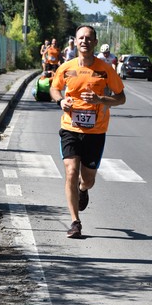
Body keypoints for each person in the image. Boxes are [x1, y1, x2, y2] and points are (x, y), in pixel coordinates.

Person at [50, 25, 126, 238]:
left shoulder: (105, 69)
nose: (84, 41)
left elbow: (121, 97)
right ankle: (75, 222)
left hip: (96, 131)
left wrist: (101, 99)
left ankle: (83, 191)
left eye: (88, 38)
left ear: (94, 42)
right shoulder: (66, 67)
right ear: (75, 41)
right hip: (70, 128)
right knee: (71, 171)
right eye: (80, 38)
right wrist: (61, 100)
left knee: (88, 179)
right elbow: (54, 88)